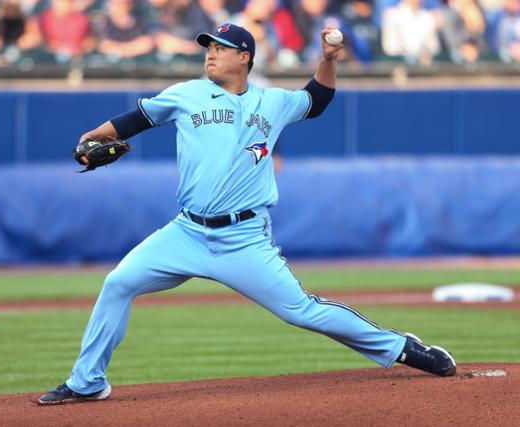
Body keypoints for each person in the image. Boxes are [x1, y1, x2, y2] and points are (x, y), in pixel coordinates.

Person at [38, 23, 456, 406]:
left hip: (244, 239)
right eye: (208, 47)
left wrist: (328, 60)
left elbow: (319, 99)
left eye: (221, 47)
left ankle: (400, 346)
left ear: (245, 58)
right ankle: (87, 382)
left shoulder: (271, 102)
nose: (211, 53)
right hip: (185, 233)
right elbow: (134, 121)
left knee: (302, 310)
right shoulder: (186, 94)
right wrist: (96, 136)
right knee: (118, 283)